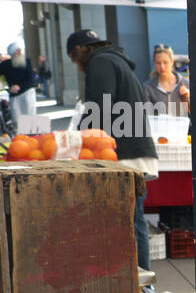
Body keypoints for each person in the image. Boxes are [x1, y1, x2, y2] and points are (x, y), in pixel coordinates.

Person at [66, 29, 157, 276]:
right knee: (133, 220)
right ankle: (142, 282)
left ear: (78, 52)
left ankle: (139, 283)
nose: (78, 68)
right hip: (134, 150)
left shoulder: (100, 63)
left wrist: (75, 140)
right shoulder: (115, 60)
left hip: (124, 153)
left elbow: (99, 109)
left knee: (128, 222)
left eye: (74, 62)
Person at [0, 41, 42, 120]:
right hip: (14, 95)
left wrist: (19, 86)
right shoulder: (5, 65)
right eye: (18, 51)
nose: (20, 52)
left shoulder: (26, 61)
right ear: (14, 53)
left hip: (27, 92)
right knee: (17, 121)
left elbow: (31, 78)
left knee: (30, 119)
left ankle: (34, 131)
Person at [142, 44, 190, 117]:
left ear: (172, 62)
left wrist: (187, 97)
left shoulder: (185, 83)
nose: (162, 66)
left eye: (165, 62)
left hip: (182, 127)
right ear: (154, 63)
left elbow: (195, 113)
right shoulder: (148, 87)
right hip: (159, 127)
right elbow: (147, 116)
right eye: (158, 63)